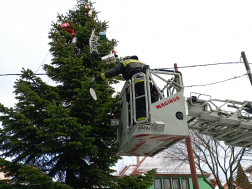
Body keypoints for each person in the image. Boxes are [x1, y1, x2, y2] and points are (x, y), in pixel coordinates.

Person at [90, 55, 148, 123]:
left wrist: (96, 78)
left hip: (138, 84)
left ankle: (142, 125)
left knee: (138, 106)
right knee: (147, 106)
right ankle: (147, 122)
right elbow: (125, 76)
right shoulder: (142, 63)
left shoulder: (126, 62)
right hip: (149, 85)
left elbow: (111, 72)